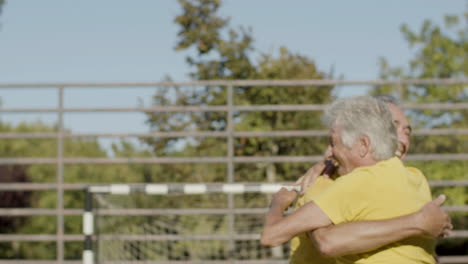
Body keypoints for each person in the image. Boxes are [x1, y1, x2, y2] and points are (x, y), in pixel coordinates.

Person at [261, 96, 452, 264]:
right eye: (394, 127)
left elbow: (276, 235)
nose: (400, 138)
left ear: (363, 144)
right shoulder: (417, 178)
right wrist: (418, 222)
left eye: (334, 143)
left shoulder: (349, 182)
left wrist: (278, 202)